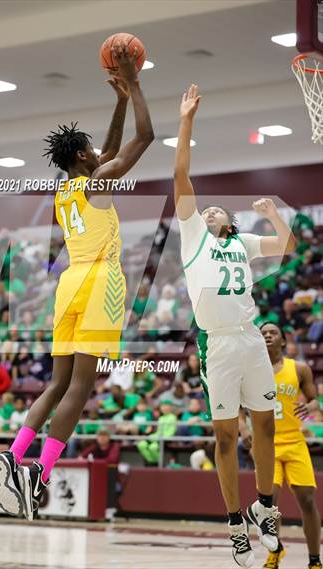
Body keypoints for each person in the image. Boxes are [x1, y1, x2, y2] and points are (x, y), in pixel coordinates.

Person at [0, 43, 154, 521]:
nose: (98, 153)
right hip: (101, 282)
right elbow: (144, 138)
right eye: (92, 151)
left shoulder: (67, 189)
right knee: (81, 386)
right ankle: (39, 474)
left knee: (57, 383)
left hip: (69, 284)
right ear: (84, 156)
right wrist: (136, 84)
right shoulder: (98, 183)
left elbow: (107, 148)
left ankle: (14, 453)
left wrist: (119, 101)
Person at [174, 84, 297, 567]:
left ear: (229, 219)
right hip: (218, 345)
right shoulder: (193, 237)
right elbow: (181, 174)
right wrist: (187, 121)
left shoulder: (242, 242)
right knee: (226, 435)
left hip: (248, 338)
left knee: (263, 427)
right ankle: (233, 525)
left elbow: (284, 247)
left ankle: (264, 506)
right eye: (205, 210)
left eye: (215, 209)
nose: (208, 211)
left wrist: (273, 215)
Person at [254, 323, 320, 569]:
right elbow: (237, 406)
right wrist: (242, 429)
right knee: (268, 501)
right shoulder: (251, 371)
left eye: (273, 332)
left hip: (293, 440)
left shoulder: (299, 369)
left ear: (283, 340)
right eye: (263, 333)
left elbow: (315, 401)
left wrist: (310, 408)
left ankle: (314, 560)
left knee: (306, 498)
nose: (268, 335)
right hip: (266, 443)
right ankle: (275, 551)